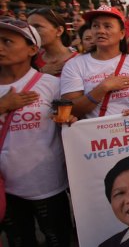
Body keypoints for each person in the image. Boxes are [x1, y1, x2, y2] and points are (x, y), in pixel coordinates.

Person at [0, 18, 72, 246]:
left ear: (33, 49)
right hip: (5, 189)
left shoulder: (51, 84)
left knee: (58, 239)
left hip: (47, 185)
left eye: (7, 41)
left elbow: (68, 122)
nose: (0, 47)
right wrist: (3, 106)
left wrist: (69, 120)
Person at [60, 5, 129, 119]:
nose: (100, 31)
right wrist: (102, 88)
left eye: (107, 26)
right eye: (96, 26)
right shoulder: (75, 65)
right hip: (95, 135)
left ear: (122, 34)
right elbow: (69, 110)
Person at [27, 8, 78, 76]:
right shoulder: (30, 60)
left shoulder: (79, 60)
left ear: (59, 31)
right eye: (29, 28)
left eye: (37, 27)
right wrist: (40, 73)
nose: (31, 32)